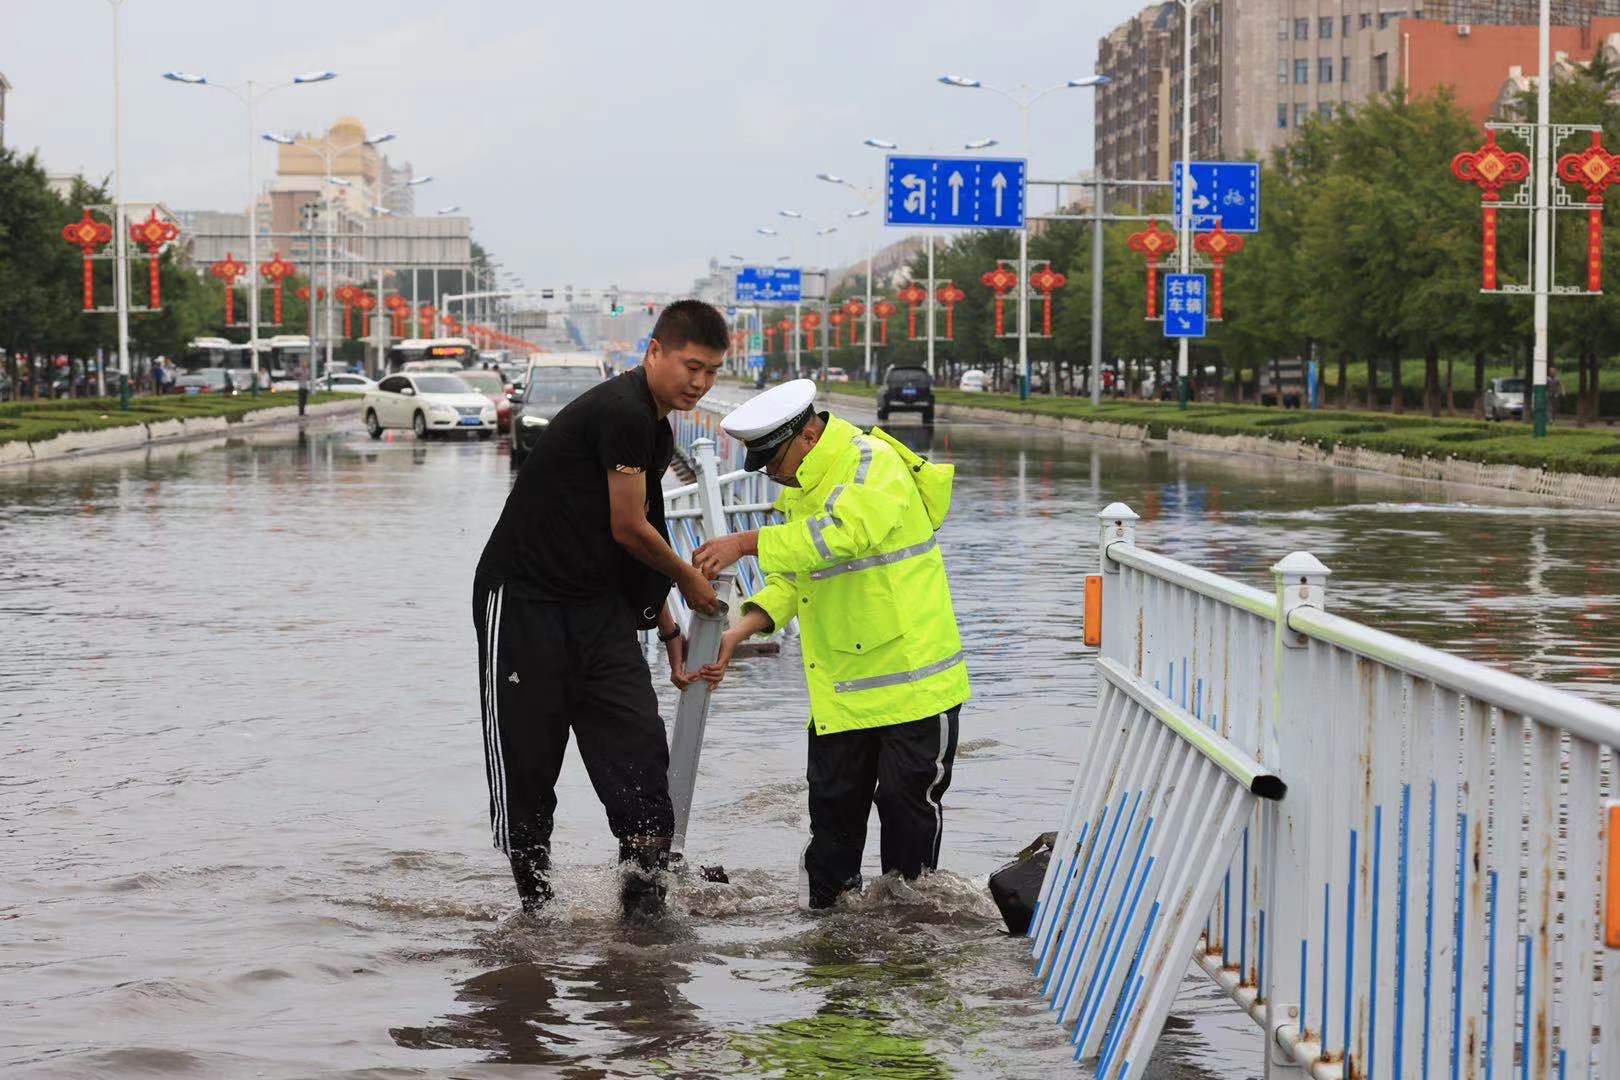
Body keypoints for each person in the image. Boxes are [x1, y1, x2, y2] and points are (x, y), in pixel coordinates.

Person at [472, 299, 729, 918]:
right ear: (655, 352)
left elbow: (633, 540)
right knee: (530, 766)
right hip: (526, 602)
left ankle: (641, 926)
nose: (699, 383)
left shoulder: (655, 425)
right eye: (691, 366)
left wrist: (665, 623)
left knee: (639, 756)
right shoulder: (620, 410)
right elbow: (628, 527)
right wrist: (691, 589)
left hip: (599, 609)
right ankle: (534, 915)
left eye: (712, 372)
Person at [692, 380, 970, 910]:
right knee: (832, 820)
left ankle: (910, 939)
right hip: (842, 690)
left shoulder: (872, 462)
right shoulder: (800, 492)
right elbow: (797, 574)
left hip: (913, 686)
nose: (770, 472)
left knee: (906, 812)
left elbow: (843, 534)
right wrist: (739, 629)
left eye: (772, 459)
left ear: (809, 434)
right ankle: (826, 944)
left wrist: (746, 542)